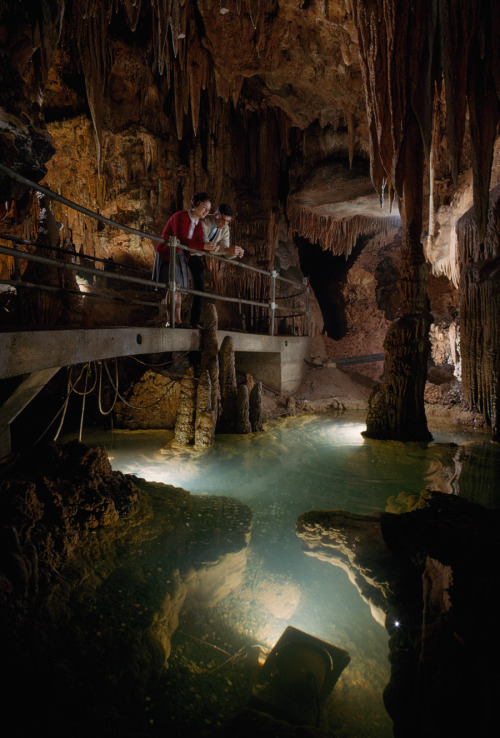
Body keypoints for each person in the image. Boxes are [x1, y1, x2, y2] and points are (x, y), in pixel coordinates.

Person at [154, 192, 218, 327]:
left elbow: (200, 243)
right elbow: (181, 239)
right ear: (195, 204)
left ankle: (177, 320)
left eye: (209, 209)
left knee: (179, 289)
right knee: (173, 288)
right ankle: (169, 320)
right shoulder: (180, 216)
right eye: (204, 207)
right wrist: (203, 245)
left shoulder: (198, 224)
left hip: (181, 254)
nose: (206, 211)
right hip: (169, 252)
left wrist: (211, 248)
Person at [188, 203, 244, 328]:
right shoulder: (204, 221)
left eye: (228, 221)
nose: (225, 223)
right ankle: (173, 320)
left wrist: (234, 252)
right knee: (176, 285)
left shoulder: (225, 228)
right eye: (223, 219)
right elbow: (205, 245)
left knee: (199, 287)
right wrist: (225, 250)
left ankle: (194, 322)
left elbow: (225, 250)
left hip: (197, 256)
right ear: (216, 214)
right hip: (188, 251)